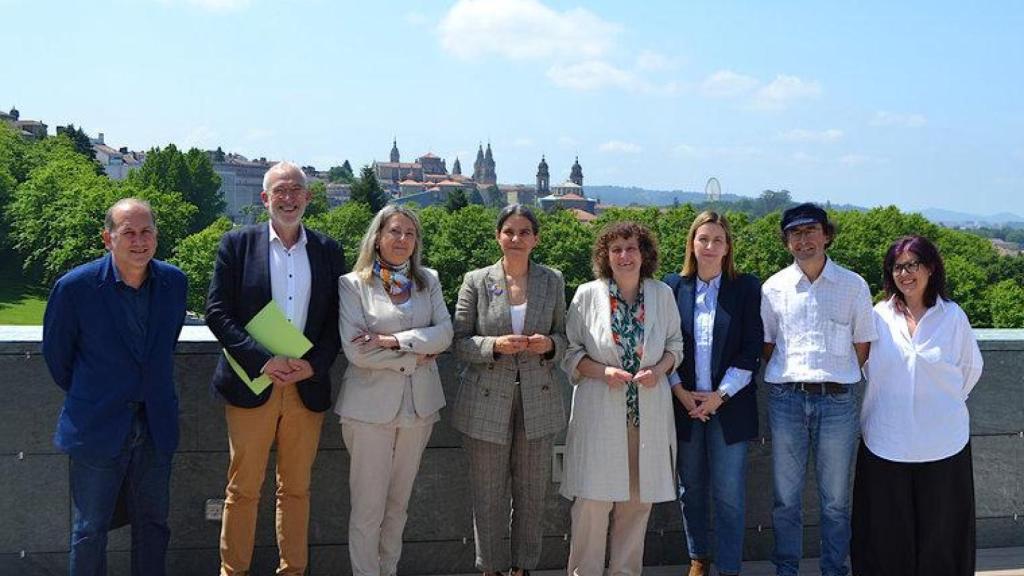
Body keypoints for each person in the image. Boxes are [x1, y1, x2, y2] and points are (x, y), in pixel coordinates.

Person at [206, 161, 346, 576]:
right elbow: (217, 312)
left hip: (305, 387)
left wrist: (312, 366)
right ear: (265, 198)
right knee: (243, 489)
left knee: (297, 490)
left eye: (296, 190)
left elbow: (337, 319)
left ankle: (292, 571)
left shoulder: (327, 250)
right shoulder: (237, 244)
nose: (288, 198)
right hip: (253, 383)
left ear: (308, 197)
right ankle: (233, 572)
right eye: (279, 191)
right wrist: (263, 360)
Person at [42, 198, 187, 576]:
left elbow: (164, 346)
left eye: (146, 232)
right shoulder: (75, 288)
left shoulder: (174, 282)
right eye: (128, 233)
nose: (139, 241)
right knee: (89, 530)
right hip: (97, 425)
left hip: (155, 424)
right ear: (108, 238)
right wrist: (99, 393)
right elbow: (58, 358)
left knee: (154, 526)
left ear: (156, 236)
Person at [851, 235, 983, 576]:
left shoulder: (952, 317)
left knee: (941, 536)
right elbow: (863, 367)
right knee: (886, 536)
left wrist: (938, 407)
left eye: (913, 265)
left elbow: (970, 370)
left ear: (931, 268)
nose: (905, 273)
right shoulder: (878, 316)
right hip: (886, 443)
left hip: (943, 444)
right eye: (897, 267)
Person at [335, 204, 453, 576]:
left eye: (410, 234)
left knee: (398, 505)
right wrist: (412, 356)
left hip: (418, 408)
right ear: (378, 236)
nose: (402, 240)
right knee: (368, 508)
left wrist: (392, 340)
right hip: (368, 410)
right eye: (395, 232)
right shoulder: (353, 284)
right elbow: (357, 351)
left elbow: (445, 334)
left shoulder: (428, 280)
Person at [561, 221, 684, 576]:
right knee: (591, 504)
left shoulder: (662, 294)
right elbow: (570, 353)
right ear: (606, 256)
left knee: (636, 504)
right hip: (600, 414)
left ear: (644, 253)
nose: (624, 256)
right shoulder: (587, 295)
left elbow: (677, 346)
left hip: (645, 417)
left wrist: (660, 369)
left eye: (631, 248)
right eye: (616, 250)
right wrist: (603, 372)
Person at [760, 202, 877, 576]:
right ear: (786, 242)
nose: (804, 239)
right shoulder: (773, 288)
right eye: (795, 233)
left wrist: (835, 376)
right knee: (785, 499)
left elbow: (863, 344)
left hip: (838, 402)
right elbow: (767, 345)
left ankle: (834, 571)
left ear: (827, 235)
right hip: (786, 399)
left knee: (836, 501)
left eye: (811, 230)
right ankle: (787, 570)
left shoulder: (853, 285)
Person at [452, 204, 567, 576]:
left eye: (524, 232)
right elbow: (459, 342)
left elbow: (566, 338)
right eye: (509, 232)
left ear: (536, 239)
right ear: (497, 236)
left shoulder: (553, 280)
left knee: (533, 494)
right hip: (486, 400)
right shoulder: (476, 280)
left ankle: (523, 569)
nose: (516, 239)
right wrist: (494, 346)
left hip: (539, 399)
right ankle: (491, 568)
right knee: (488, 495)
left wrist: (548, 344)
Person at [663, 211, 763, 576]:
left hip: (729, 406)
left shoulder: (746, 288)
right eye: (703, 239)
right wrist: (680, 392)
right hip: (685, 406)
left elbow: (751, 348)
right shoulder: (673, 287)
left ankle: (730, 568)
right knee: (690, 488)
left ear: (727, 247)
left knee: (729, 495)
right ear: (692, 243)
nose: (709, 246)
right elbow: (664, 346)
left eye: (717, 240)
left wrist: (719, 395)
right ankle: (698, 559)